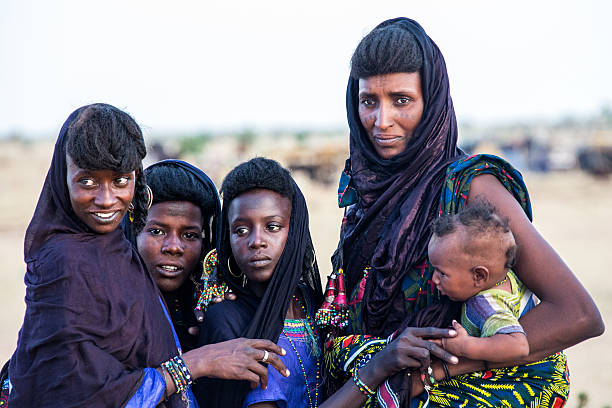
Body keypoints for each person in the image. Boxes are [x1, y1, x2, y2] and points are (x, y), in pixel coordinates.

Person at [317, 18, 603, 408]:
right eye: (369, 101)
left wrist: (435, 369)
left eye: (401, 100)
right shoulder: (364, 194)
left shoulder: (471, 188)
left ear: (431, 100)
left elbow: (577, 313)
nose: (381, 121)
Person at [7, 104, 288, 407]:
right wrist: (196, 362)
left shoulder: (118, 253)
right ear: (62, 177)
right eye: (87, 181)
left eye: (120, 181)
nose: (105, 199)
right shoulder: (66, 261)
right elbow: (78, 390)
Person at [195, 157, 324, 408]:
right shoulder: (226, 318)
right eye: (241, 230)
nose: (256, 241)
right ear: (227, 239)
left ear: (295, 230)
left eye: (272, 227)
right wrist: (369, 376)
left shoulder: (314, 304)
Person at [128, 159, 221, 352]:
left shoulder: (211, 306)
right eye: (157, 232)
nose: (173, 247)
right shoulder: (111, 307)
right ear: (132, 231)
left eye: (189, 235)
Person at [428, 200, 534, 363]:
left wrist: (465, 346)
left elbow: (519, 346)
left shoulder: (484, 305)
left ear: (479, 276)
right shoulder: (509, 277)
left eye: (442, 273)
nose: (434, 279)